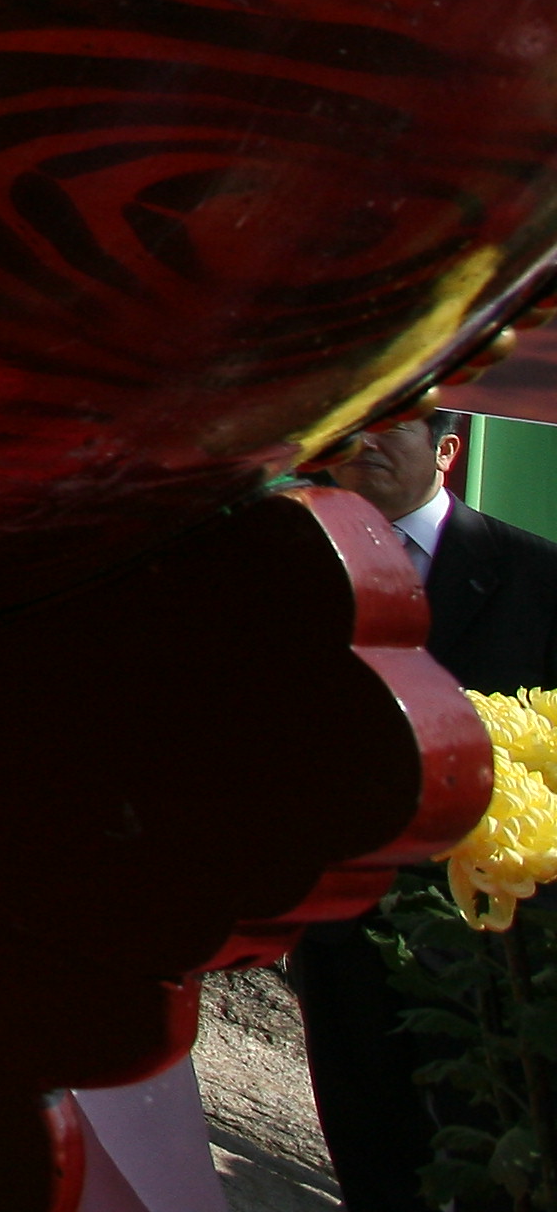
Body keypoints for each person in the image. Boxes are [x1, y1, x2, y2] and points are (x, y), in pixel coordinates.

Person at [293, 409, 557, 1207]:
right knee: (370, 1153)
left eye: (394, 427)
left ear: (449, 450)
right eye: (350, 427)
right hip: (340, 921)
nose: (364, 444)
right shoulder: (297, 567)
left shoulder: (535, 577)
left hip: (492, 938)